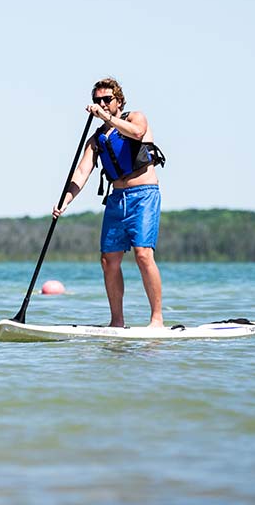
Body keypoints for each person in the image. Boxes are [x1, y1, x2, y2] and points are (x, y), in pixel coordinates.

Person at [53, 77, 166, 328]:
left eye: (107, 99)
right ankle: (117, 321)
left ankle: (156, 319)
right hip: (116, 200)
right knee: (108, 260)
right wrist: (65, 200)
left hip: (144, 195)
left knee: (143, 255)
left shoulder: (135, 118)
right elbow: (82, 172)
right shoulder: (96, 139)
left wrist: (106, 117)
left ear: (119, 100)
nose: (102, 104)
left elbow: (136, 134)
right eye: (97, 100)